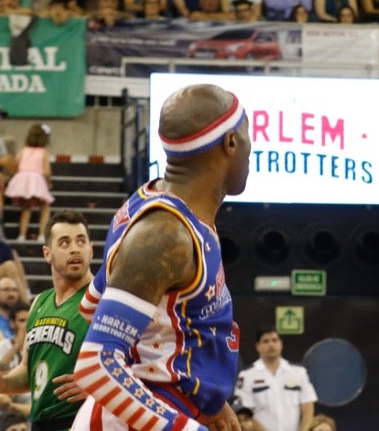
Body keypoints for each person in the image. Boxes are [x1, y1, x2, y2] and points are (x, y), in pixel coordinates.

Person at [70, 84, 251, 430]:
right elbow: (96, 363)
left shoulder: (160, 206)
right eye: (247, 137)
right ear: (230, 143)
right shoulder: (164, 236)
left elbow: (91, 305)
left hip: (163, 406)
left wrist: (202, 396)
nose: (250, 149)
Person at [234, 329, 316, 431]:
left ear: (281, 344)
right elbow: (245, 413)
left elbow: (308, 407)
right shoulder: (247, 376)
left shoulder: (299, 373)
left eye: (274, 340)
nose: (271, 345)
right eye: (266, 341)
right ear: (258, 346)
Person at [6, 124, 53, 243]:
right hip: (37, 179)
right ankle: (42, 234)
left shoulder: (23, 151)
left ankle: (22, 235)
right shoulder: (44, 152)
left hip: (24, 178)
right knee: (44, 206)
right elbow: (47, 171)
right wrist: (48, 182)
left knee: (26, 207)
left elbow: (15, 165)